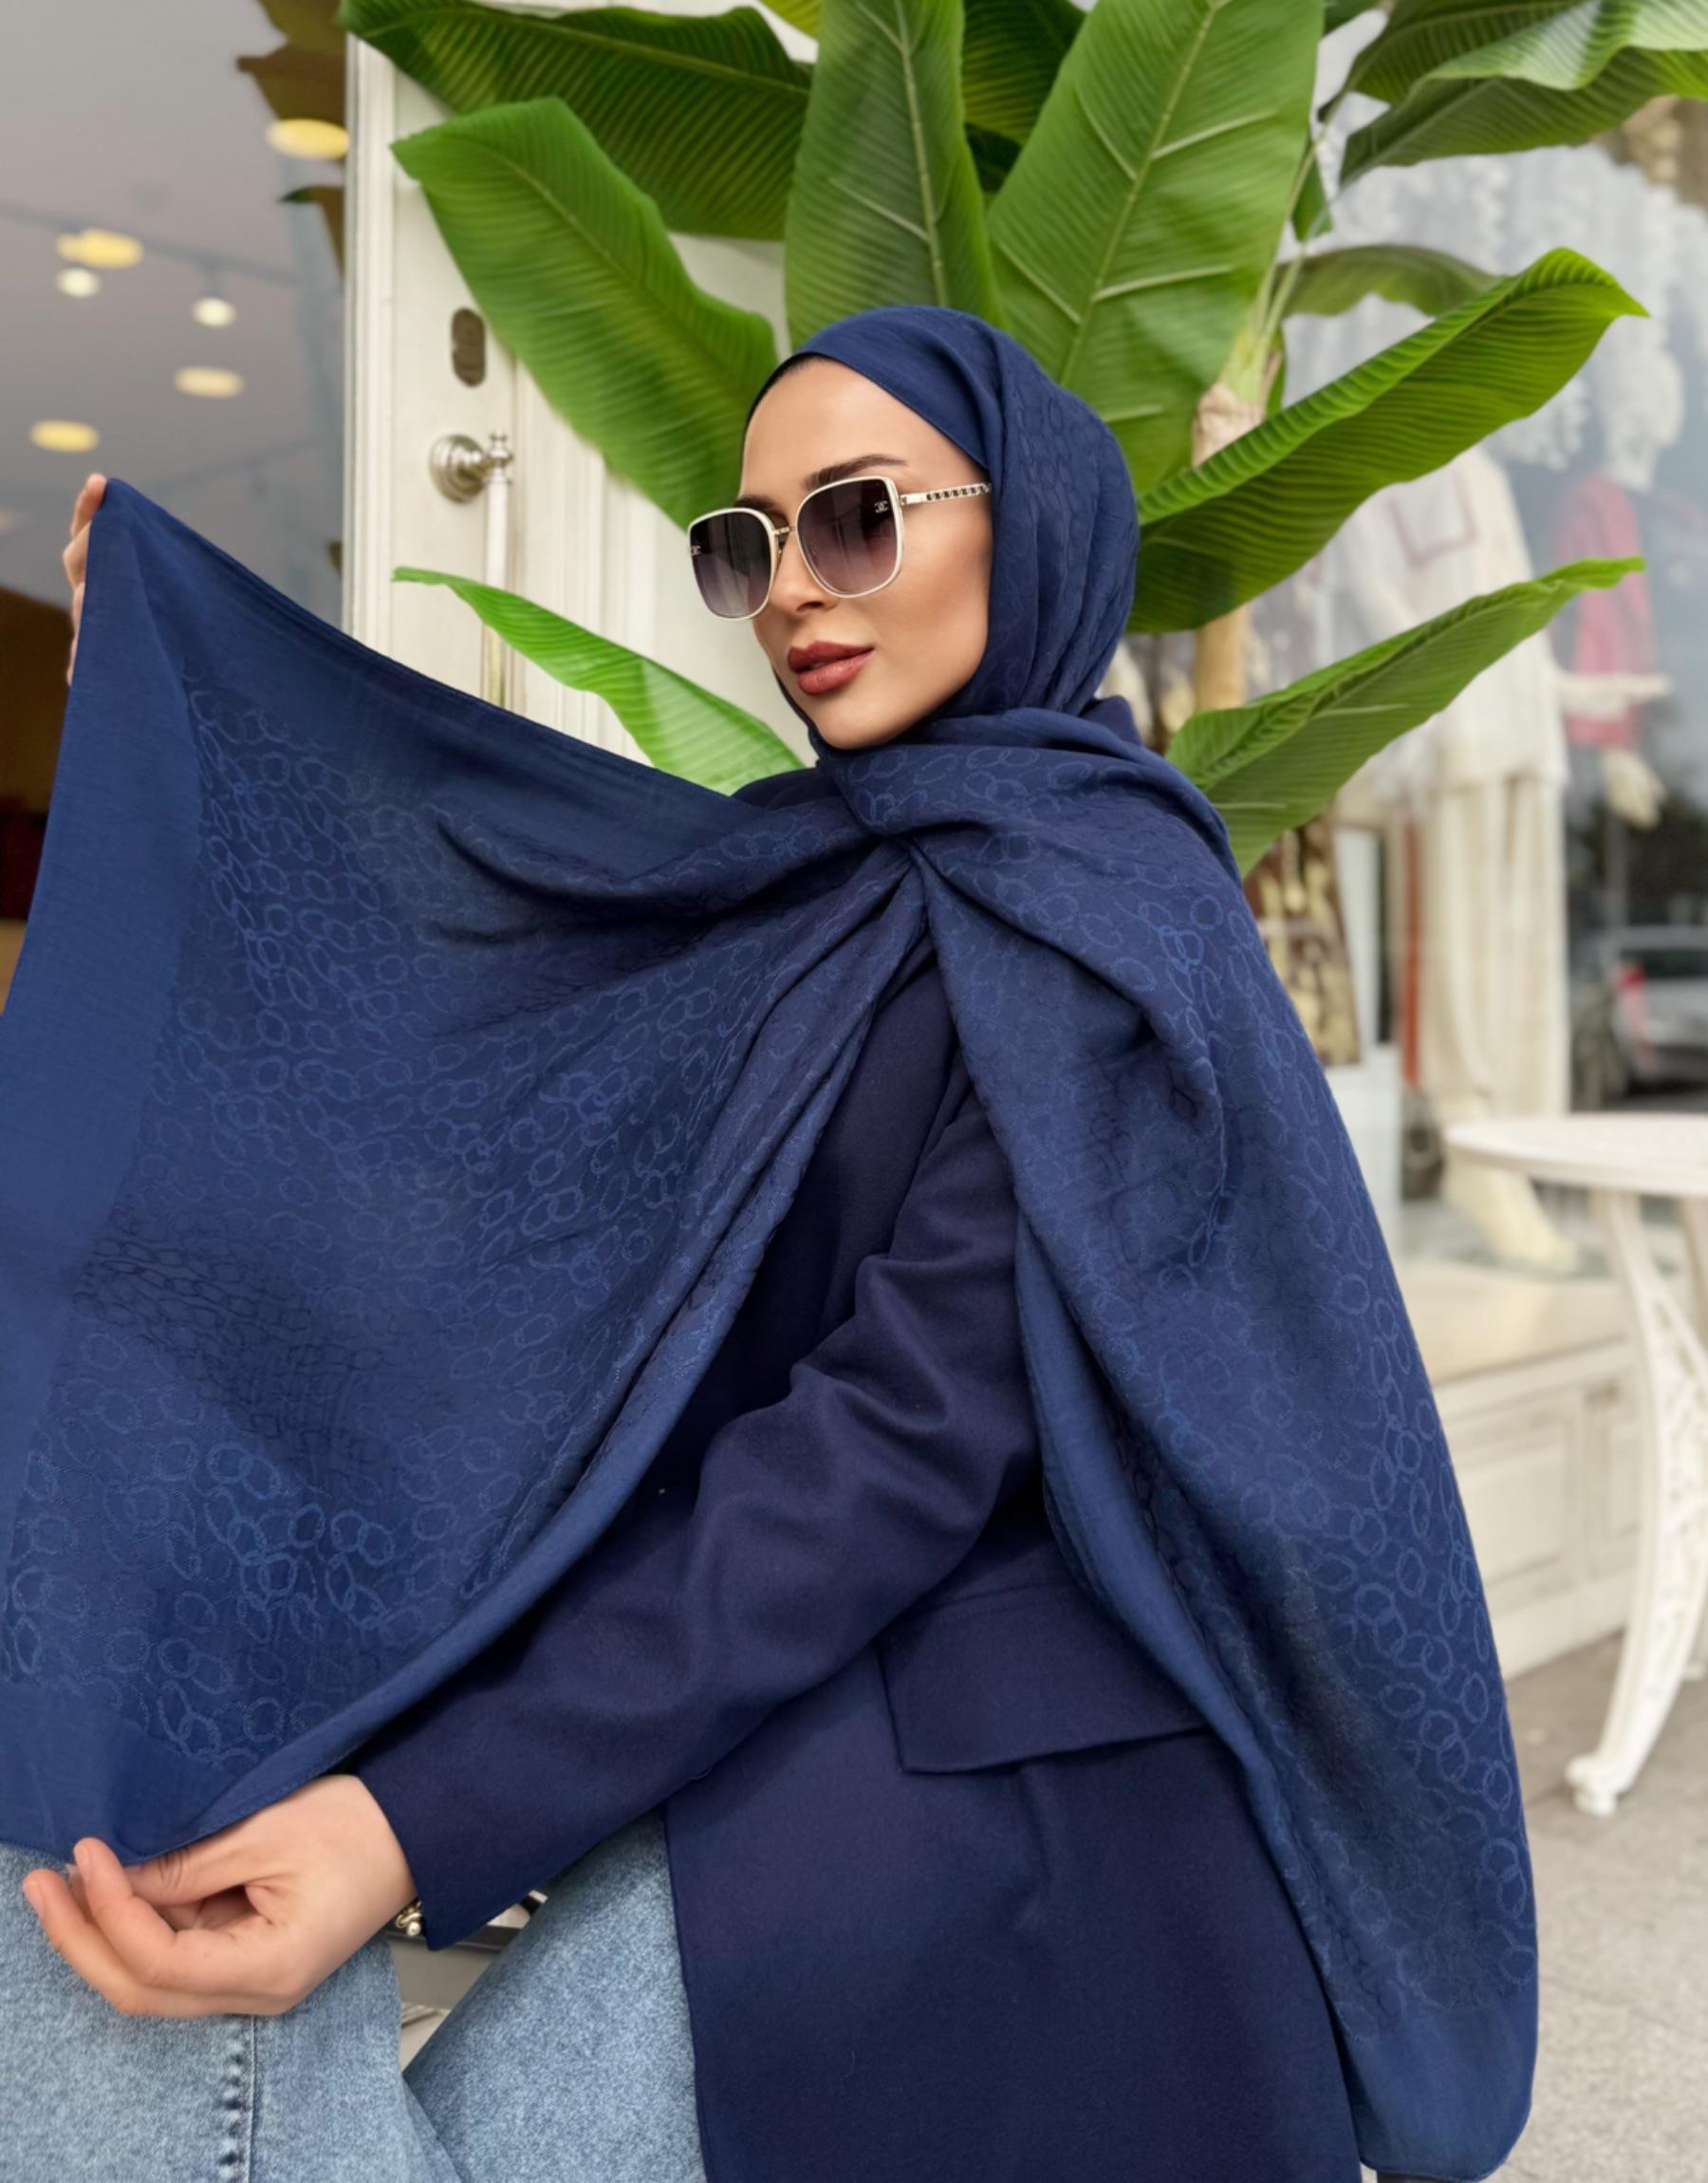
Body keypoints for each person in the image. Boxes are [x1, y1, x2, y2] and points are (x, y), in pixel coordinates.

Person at [2, 312, 1513, 2183]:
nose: (794, 588)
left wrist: (403, 1827)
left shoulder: (1100, 926)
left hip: (1015, 1809)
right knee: (94, 1783)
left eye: (857, 517)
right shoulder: (827, 873)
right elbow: (474, 1042)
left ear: (1027, 525)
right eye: (751, 544)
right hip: (798, 1691)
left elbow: (873, 1460)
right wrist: (182, 716)